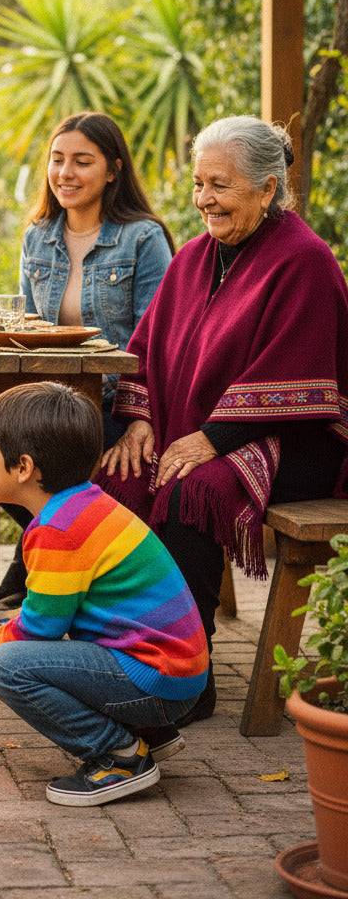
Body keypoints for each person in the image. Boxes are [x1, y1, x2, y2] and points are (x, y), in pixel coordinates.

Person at [99, 115, 348, 724]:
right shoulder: (192, 257)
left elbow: (305, 376)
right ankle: (128, 654)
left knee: (191, 491)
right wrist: (140, 421)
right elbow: (148, 348)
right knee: (121, 478)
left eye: (221, 185)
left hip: (300, 443)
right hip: (202, 433)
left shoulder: (305, 260)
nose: (204, 199)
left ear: (267, 189)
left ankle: (190, 678)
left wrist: (213, 440)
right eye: (198, 183)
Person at [0, 382, 209, 807]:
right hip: (178, 673)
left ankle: (119, 756)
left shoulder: (57, 529)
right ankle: (149, 734)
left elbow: (41, 628)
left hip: (159, 678)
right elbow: (48, 618)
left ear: (23, 467)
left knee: (9, 667)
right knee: (25, 650)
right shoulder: (84, 504)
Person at [0, 112, 174, 606]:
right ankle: (38, 556)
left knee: (40, 460)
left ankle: (43, 570)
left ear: (113, 170)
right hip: (57, 403)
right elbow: (27, 328)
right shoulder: (38, 236)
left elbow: (161, 340)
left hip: (115, 407)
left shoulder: (142, 239)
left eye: (82, 161)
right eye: (57, 159)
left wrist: (140, 418)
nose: (65, 173)